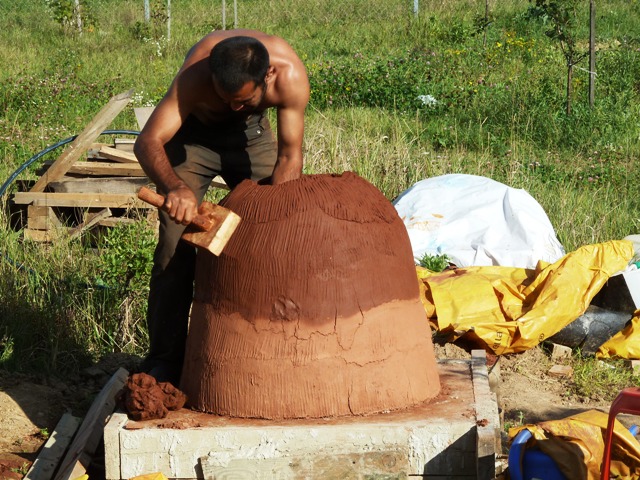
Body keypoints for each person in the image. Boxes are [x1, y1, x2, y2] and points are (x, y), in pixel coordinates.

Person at [134, 29, 310, 385]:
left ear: (268, 77)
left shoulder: (289, 75)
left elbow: (289, 157)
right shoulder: (195, 77)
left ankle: (269, 347)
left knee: (275, 233)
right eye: (224, 97)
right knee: (173, 247)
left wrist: (275, 212)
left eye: (243, 100)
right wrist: (176, 187)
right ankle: (165, 359)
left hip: (251, 137)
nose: (233, 106)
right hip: (194, 139)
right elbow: (147, 140)